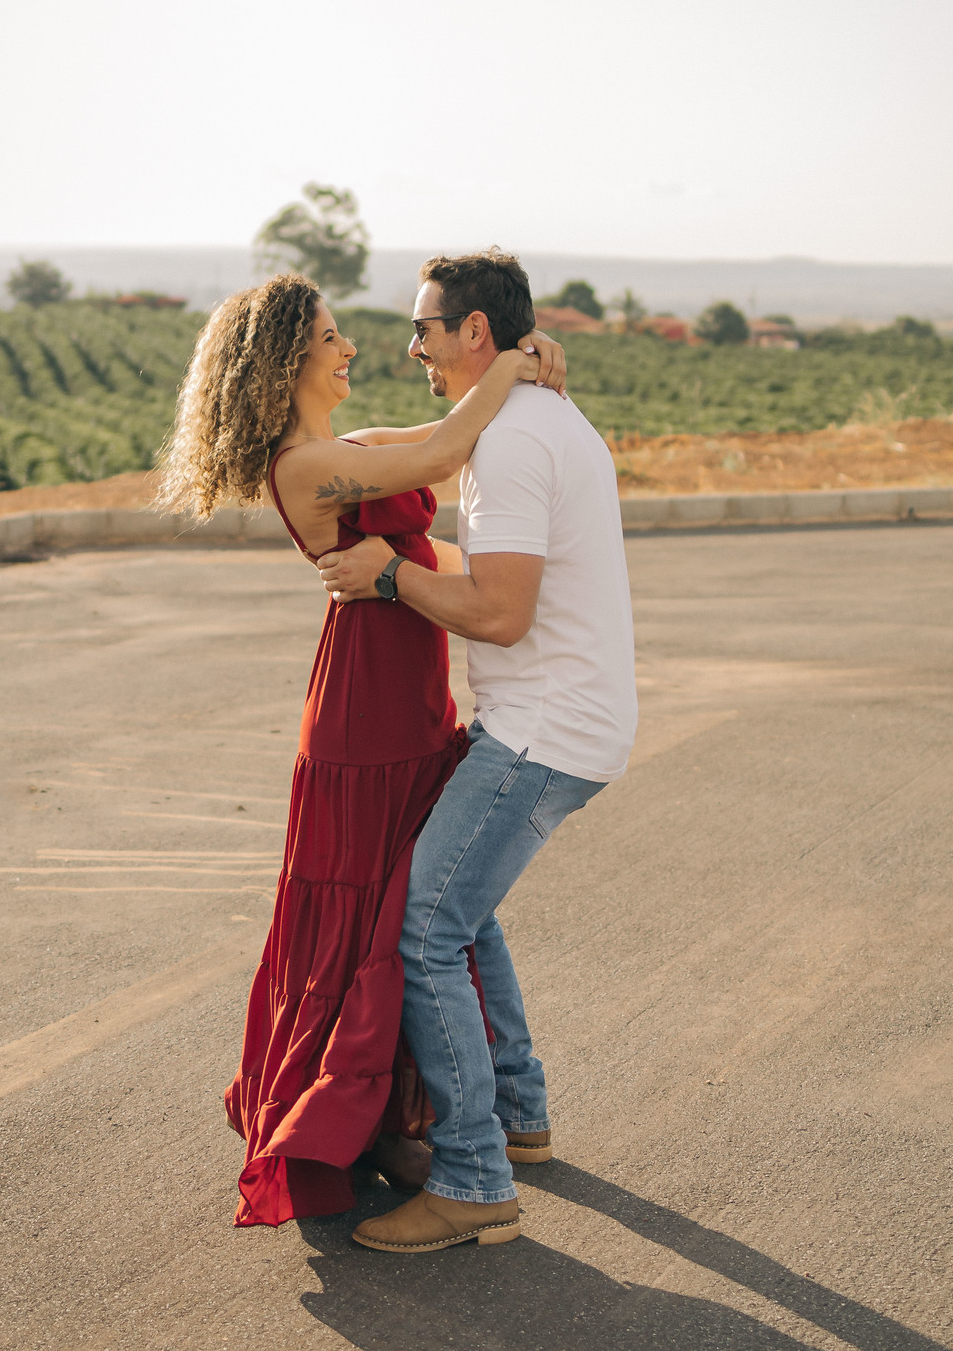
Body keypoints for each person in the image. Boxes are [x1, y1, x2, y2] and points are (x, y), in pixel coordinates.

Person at [156, 274, 566, 1227]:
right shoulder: (302, 467)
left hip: (412, 706)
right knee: (377, 918)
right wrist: (514, 363)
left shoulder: (355, 449)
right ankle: (364, 1124)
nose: (349, 350)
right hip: (363, 720)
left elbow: (447, 450)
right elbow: (447, 449)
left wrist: (523, 369)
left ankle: (447, 1116)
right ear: (287, 360)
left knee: (428, 909)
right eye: (332, 337)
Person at [317, 250, 638, 1253]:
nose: (411, 346)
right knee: (466, 908)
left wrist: (387, 577)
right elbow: (471, 524)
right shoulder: (536, 420)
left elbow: (500, 613)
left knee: (424, 928)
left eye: (424, 328)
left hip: (544, 731)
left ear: (474, 333)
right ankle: (518, 1113)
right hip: (560, 721)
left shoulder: (509, 446)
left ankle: (472, 1181)